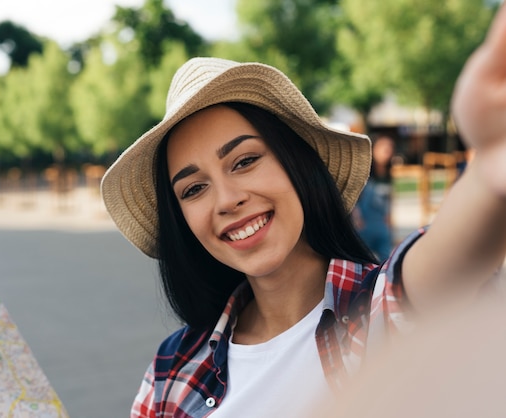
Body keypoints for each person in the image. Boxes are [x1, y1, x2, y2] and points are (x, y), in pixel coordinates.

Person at [100, 5, 506, 417]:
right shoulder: (174, 368)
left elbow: (446, 267)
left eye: (244, 161)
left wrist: (491, 169)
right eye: (194, 189)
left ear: (297, 164)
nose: (225, 200)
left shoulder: (374, 313)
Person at [352, 135, 395, 261]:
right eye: (383, 146)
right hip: (363, 225)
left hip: (382, 225)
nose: (387, 150)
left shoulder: (389, 175)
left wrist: (390, 218)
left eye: (390, 146)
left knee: (385, 262)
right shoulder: (363, 173)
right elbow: (352, 196)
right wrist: (356, 216)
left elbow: (390, 199)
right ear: (373, 149)